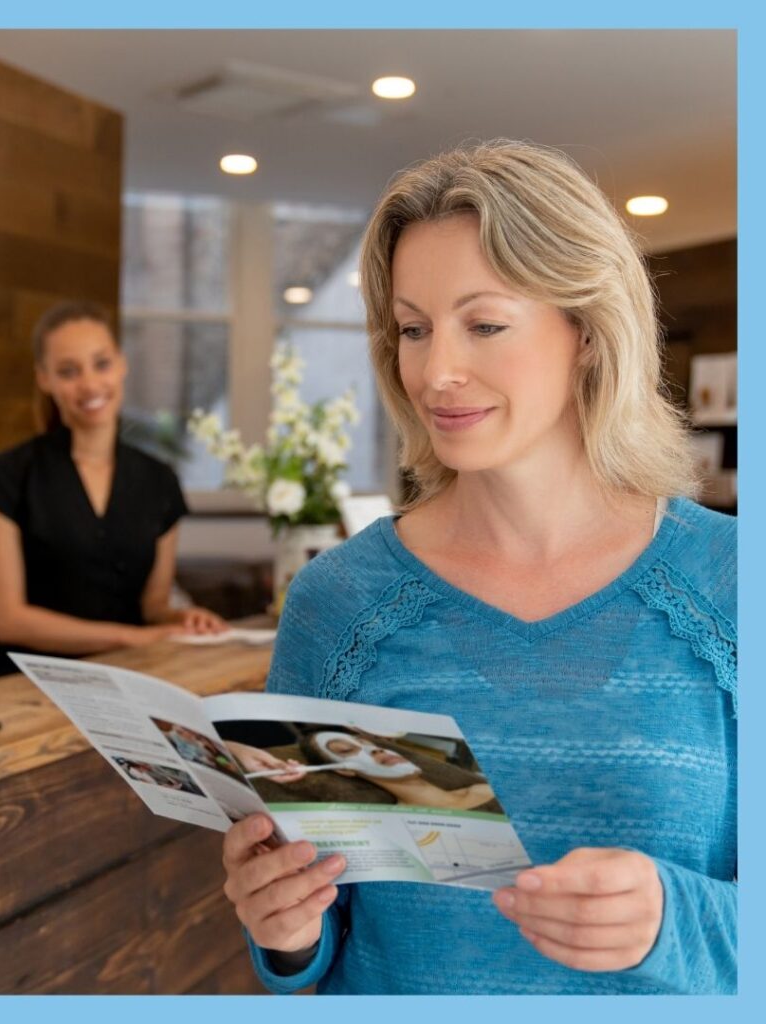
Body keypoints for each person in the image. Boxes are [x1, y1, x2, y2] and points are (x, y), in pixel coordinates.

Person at [221, 140, 736, 994]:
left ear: (587, 330)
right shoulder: (338, 603)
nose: (435, 371)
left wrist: (672, 919)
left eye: (484, 323)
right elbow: (315, 940)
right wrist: (284, 930)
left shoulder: (731, 585)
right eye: (414, 329)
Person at [0, 300, 226, 680]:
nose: (89, 384)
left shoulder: (159, 480)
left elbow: (152, 605)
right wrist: (135, 639)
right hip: (22, 683)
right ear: (44, 378)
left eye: (101, 364)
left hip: (127, 680)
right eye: (68, 371)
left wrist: (181, 618)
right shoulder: (6, 477)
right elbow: (9, 621)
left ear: (121, 364)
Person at [303, 731, 495, 810]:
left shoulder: (483, 787)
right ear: (345, 771)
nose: (375, 749)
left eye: (365, 742)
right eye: (347, 750)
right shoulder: (402, 823)